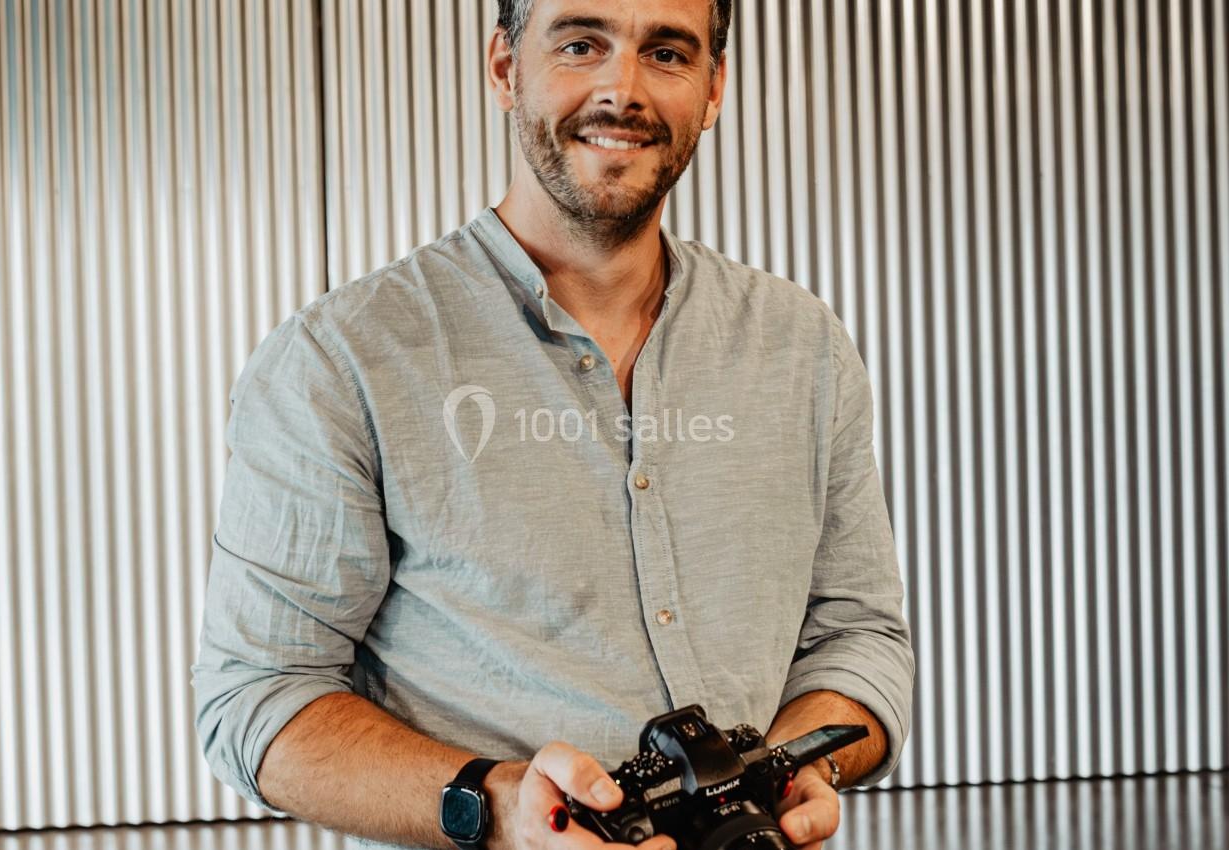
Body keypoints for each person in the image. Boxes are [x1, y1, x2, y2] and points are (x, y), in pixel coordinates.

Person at [192, 2, 914, 850]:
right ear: (504, 68)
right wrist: (495, 807)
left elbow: (857, 636)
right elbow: (258, 697)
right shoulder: (339, 360)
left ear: (713, 89)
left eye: (668, 53)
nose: (623, 89)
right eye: (581, 44)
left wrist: (801, 764)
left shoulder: (804, 347)